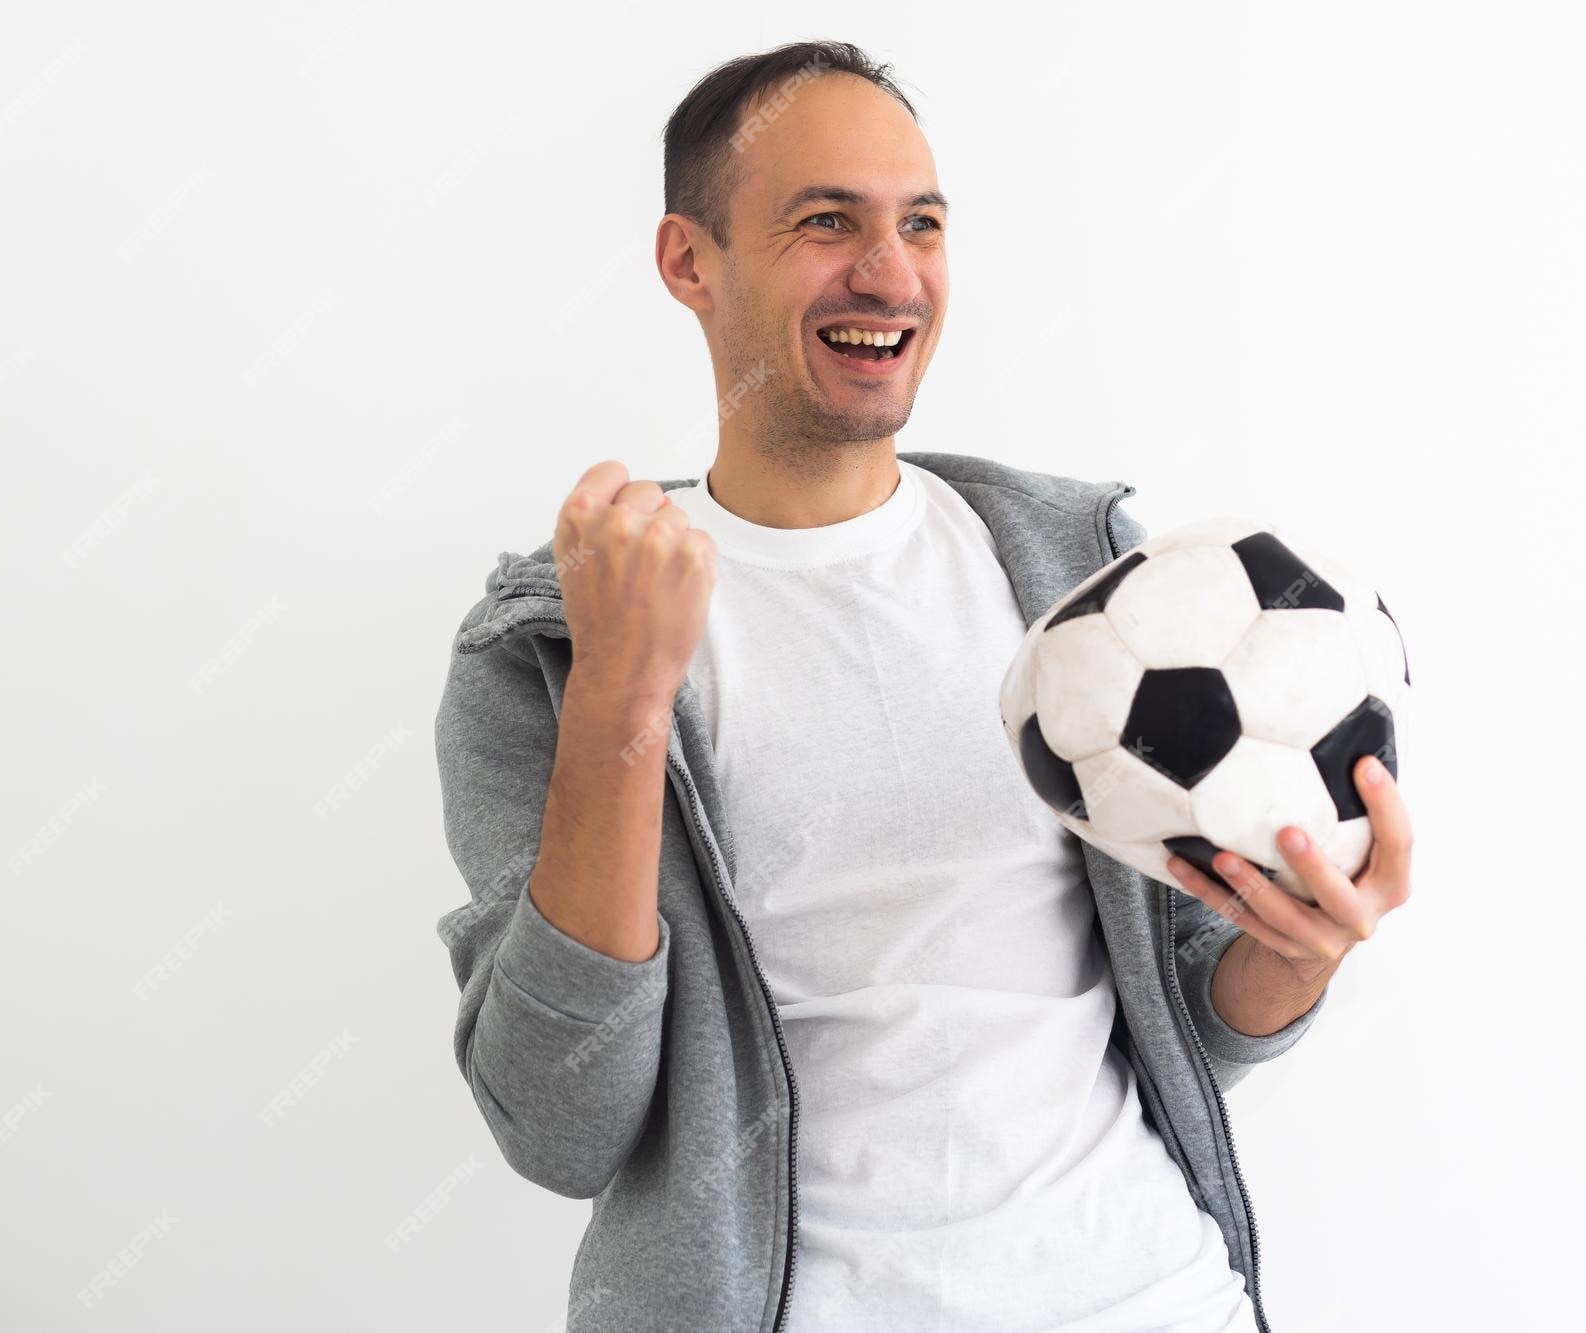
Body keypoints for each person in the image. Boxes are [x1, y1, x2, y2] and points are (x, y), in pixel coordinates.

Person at [432, 40, 1414, 1333]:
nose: (890, 275)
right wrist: (621, 700)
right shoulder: (554, 641)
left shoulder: (1088, 583)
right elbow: (562, 1119)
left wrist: (1297, 958)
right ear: (689, 261)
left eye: (923, 224)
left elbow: (1194, 1026)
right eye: (825, 222)